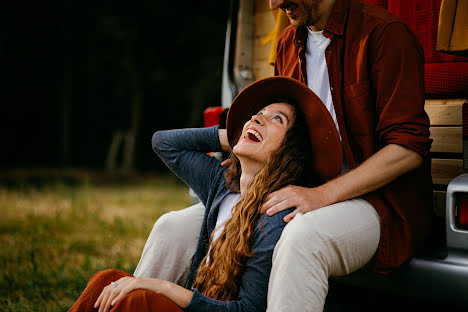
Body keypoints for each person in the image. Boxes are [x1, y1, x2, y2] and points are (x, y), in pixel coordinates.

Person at [134, 0, 435, 311]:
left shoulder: (384, 34)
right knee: (173, 226)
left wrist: (322, 194)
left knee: (302, 237)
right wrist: (239, 139)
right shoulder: (287, 44)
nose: (274, 4)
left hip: (377, 202)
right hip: (297, 187)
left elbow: (408, 148)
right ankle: (128, 300)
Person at [68, 76, 342, 312]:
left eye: (277, 119)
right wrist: (234, 133)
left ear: (290, 151)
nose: (258, 117)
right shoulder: (222, 183)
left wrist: (158, 286)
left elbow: (247, 309)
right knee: (107, 280)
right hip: (195, 301)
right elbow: (164, 143)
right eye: (258, 113)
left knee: (135, 299)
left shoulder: (273, 216)